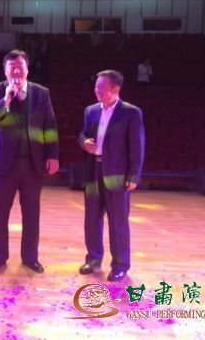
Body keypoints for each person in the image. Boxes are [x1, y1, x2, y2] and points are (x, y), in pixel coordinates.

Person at [0, 50, 59, 274]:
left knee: (32, 213)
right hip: (3, 164)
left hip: (32, 163)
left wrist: (52, 155)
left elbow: (50, 125)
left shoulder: (42, 93)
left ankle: (30, 257)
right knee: (0, 213)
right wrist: (6, 99)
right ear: (5, 70)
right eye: (12, 67)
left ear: (27, 68)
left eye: (20, 67)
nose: (16, 71)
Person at [78, 70, 145, 282]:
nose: (96, 91)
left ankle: (120, 265)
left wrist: (134, 175)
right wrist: (84, 142)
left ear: (115, 89)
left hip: (117, 175)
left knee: (118, 222)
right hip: (93, 171)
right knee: (91, 219)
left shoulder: (131, 113)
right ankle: (93, 259)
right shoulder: (91, 111)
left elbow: (137, 146)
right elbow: (83, 134)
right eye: (96, 86)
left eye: (101, 87)